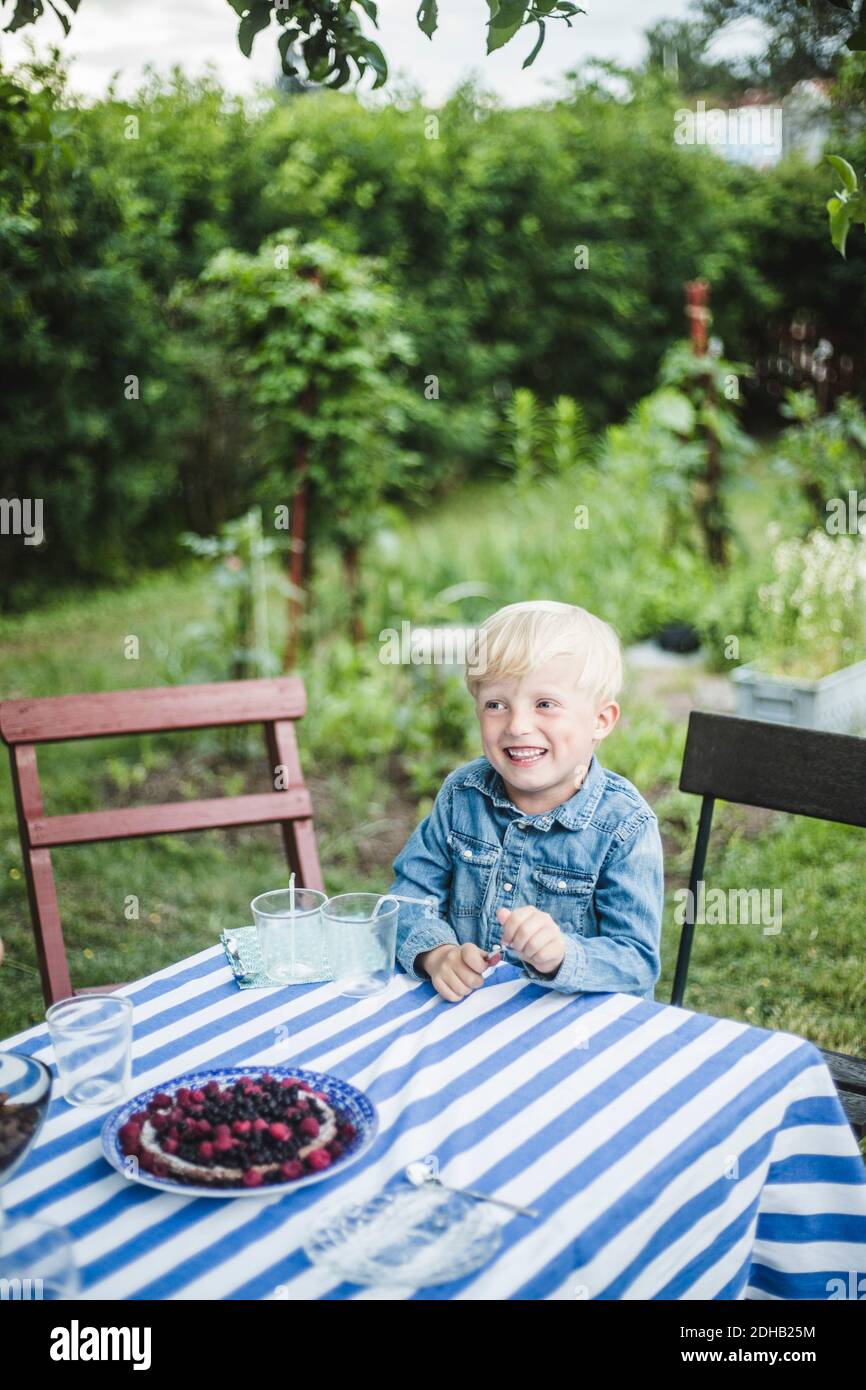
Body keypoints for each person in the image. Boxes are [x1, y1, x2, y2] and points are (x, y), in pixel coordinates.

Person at [386, 599, 664, 1003]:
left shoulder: (624, 826)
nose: (517, 726)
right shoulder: (462, 797)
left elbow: (636, 961)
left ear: (600, 721)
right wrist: (438, 954)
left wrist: (563, 955)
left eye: (545, 704)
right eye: (496, 705)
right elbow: (407, 899)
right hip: (465, 1022)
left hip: (575, 1036)